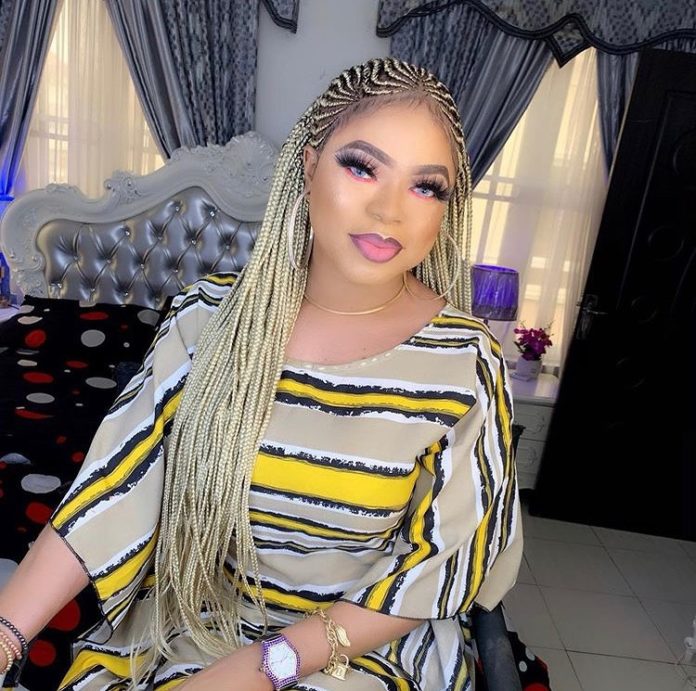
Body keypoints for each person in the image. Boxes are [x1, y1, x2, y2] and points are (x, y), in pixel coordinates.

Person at [0, 57, 522, 691]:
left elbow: (442, 567)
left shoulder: (466, 362)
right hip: (199, 625)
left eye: (426, 187)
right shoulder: (206, 319)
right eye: (362, 167)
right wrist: (5, 636)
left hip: (360, 648)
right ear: (308, 166)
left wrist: (260, 669)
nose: (389, 211)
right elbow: (113, 487)